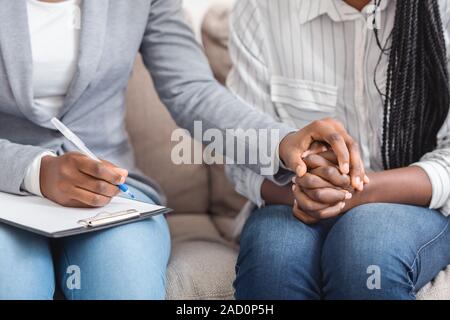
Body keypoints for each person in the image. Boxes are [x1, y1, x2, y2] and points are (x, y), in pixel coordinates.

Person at [0, 0, 363, 299]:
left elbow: (192, 91)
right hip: (3, 190)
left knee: (121, 278)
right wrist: (33, 170)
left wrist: (283, 143)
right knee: (13, 281)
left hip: (110, 194)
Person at [228, 0, 450, 299]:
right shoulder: (259, 8)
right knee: (274, 259)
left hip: (419, 206)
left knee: (367, 251)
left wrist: (348, 194)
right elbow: (241, 154)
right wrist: (303, 192)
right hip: (291, 200)